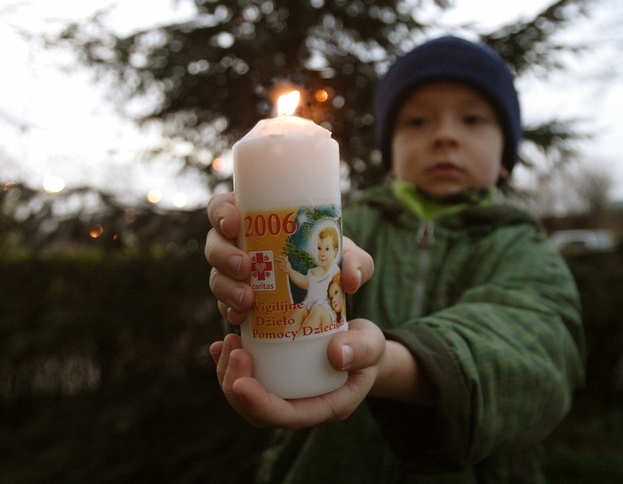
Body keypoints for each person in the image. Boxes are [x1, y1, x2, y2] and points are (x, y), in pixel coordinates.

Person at [206, 35, 586, 483]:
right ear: (390, 154)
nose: (445, 136)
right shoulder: (347, 229)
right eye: (418, 121)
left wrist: (388, 364)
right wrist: (243, 286)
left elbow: (538, 356)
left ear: (506, 156)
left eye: (472, 119)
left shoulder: (520, 247)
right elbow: (275, 335)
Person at [276, 226, 342, 329]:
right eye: (319, 248)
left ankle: (302, 337)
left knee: (317, 311)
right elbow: (305, 282)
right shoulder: (314, 271)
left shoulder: (334, 270)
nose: (322, 254)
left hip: (325, 309)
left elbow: (338, 291)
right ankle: (291, 339)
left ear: (335, 251)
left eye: (327, 249)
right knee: (297, 311)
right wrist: (290, 271)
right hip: (309, 305)